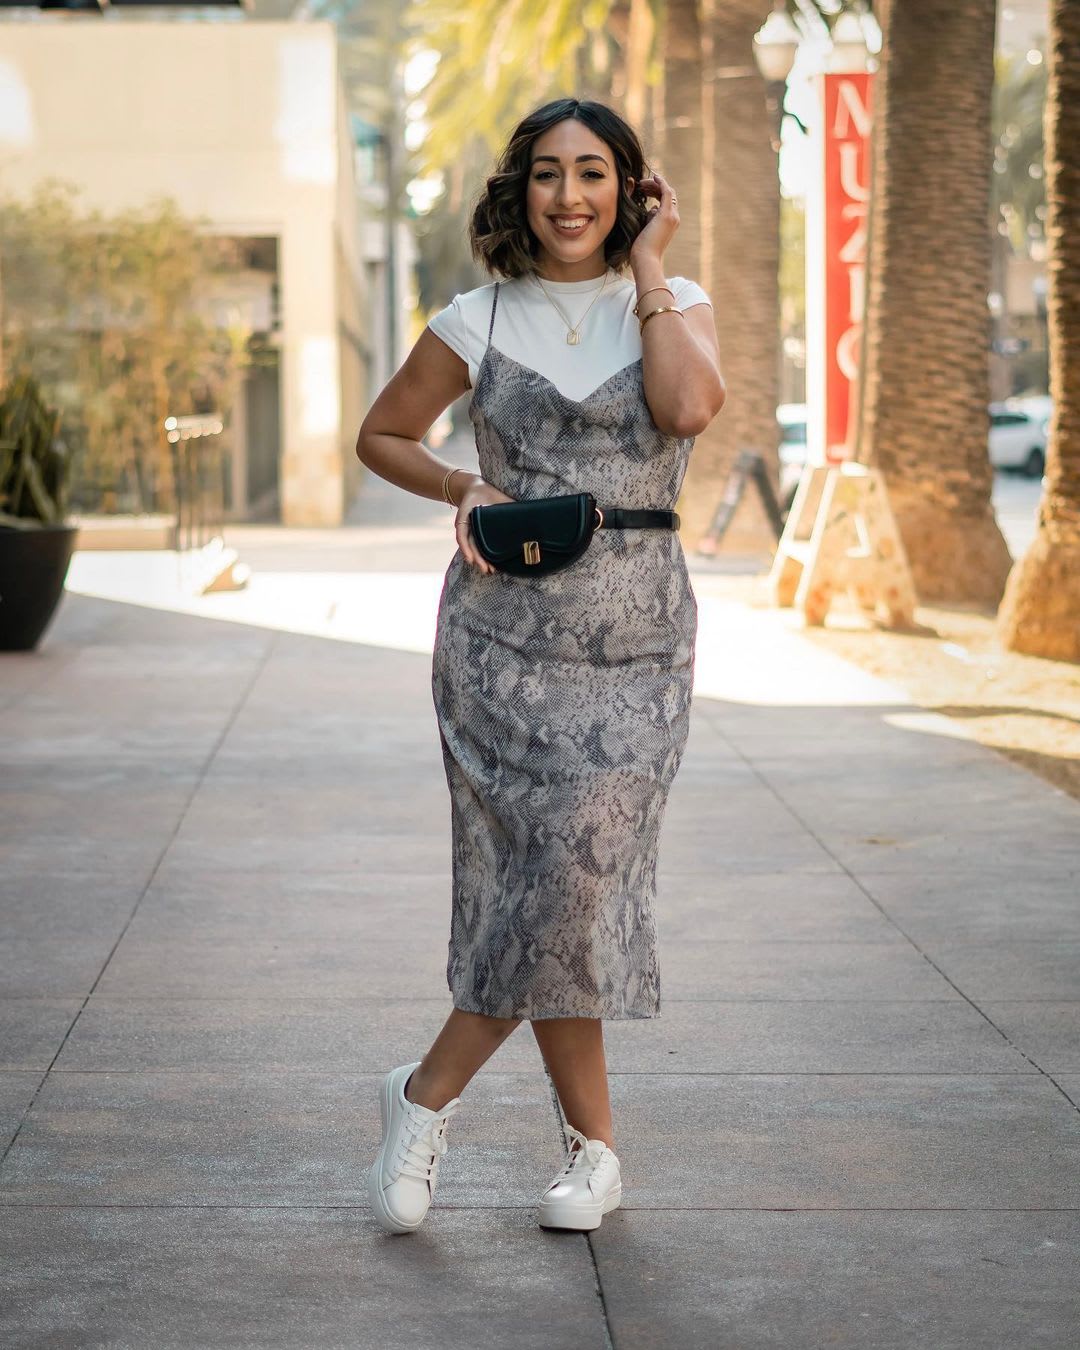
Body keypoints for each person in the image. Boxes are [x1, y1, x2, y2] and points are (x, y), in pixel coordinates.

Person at [355, 96, 725, 1236]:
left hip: (637, 643)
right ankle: (595, 1155)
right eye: (550, 174)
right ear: (520, 189)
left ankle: (423, 1098)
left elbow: (688, 406)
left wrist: (652, 269)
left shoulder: (673, 305)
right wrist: (464, 486)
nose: (571, 196)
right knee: (550, 885)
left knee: (571, 879)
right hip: (500, 642)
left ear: (631, 189)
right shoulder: (478, 315)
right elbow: (382, 434)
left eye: (596, 174)